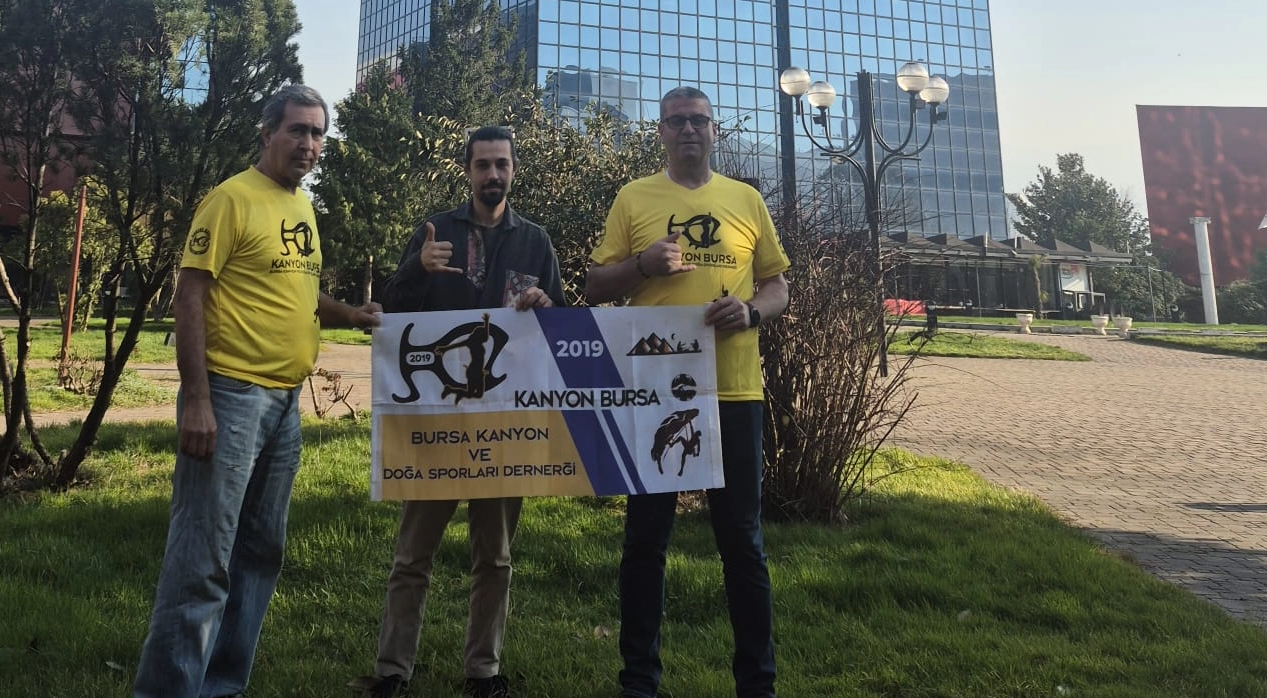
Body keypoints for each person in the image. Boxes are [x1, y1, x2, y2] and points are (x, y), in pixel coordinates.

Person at [133, 84, 382, 698]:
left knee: (261, 553)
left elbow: (300, 293)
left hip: (285, 405)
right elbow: (189, 295)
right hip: (230, 396)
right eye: (297, 130)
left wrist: (350, 314)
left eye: (318, 133)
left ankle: (221, 686)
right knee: (202, 560)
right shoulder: (231, 200)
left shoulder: (302, 208)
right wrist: (197, 399)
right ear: (267, 133)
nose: (308, 143)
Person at [585, 87, 790, 698]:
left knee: (743, 543)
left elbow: (778, 286)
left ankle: (757, 684)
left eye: (699, 120)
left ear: (714, 130)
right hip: (656, 395)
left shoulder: (746, 200)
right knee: (645, 543)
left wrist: (751, 312)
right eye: (676, 121)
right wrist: (642, 266)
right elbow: (595, 285)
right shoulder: (634, 197)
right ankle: (638, 681)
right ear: (661, 132)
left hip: (734, 393)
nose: (689, 130)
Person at [367, 125, 567, 698]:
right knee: (413, 554)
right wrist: (417, 268)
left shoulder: (535, 241)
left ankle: (483, 672)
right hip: (437, 421)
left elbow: (558, 326)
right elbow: (390, 311)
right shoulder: (436, 231)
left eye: (502, 164)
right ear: (467, 170)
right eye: (483, 165)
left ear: (513, 170)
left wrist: (547, 304)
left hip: (504, 421)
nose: (493, 174)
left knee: (495, 557)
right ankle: (392, 671)